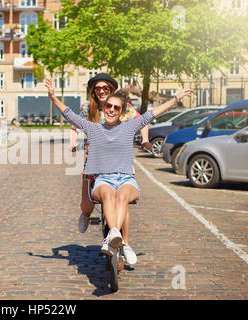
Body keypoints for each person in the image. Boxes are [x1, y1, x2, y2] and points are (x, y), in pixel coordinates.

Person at [45, 77, 193, 257]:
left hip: (125, 178)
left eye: (116, 107)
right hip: (101, 176)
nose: (112, 110)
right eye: (108, 107)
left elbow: (153, 113)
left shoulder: (130, 126)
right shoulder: (93, 128)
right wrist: (52, 97)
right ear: (103, 109)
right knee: (103, 196)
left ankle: (120, 239)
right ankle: (113, 234)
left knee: (122, 196)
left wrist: (176, 99)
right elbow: (69, 114)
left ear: (122, 112)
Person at [69, 73, 151, 264]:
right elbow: (74, 127)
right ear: (93, 92)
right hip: (93, 160)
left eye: (105, 88)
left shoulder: (122, 107)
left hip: (118, 163)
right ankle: (87, 214)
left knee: (123, 200)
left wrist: (145, 139)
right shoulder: (87, 109)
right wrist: (73, 143)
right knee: (88, 205)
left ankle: (124, 244)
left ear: (111, 90)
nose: (102, 91)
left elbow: (141, 121)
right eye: (98, 88)